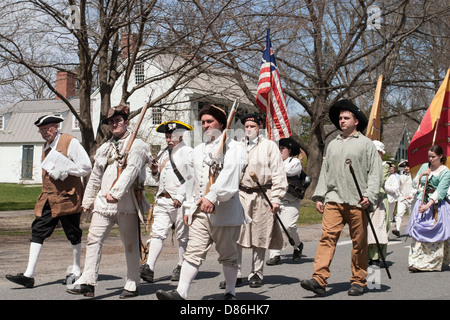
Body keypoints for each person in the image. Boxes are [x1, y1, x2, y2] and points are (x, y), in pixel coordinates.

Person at [155, 104, 248, 300]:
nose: (205, 125)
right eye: (203, 122)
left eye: (210, 121)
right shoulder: (197, 151)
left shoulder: (235, 147)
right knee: (192, 251)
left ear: (221, 123)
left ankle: (230, 291)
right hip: (199, 211)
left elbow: (230, 177)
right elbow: (191, 181)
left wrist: (212, 196)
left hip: (225, 212)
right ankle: (181, 292)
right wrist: (189, 208)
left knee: (228, 255)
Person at [67, 105, 151, 298]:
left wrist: (117, 192)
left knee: (130, 245)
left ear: (126, 122)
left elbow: (131, 172)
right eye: (111, 122)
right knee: (93, 240)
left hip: (127, 204)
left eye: (118, 120)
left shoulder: (137, 145)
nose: (114, 124)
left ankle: (132, 283)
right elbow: (95, 176)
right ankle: (88, 281)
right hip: (103, 204)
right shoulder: (105, 148)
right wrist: (87, 200)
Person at [300, 99, 381, 297]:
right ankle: (319, 279)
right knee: (327, 239)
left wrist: (369, 196)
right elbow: (325, 172)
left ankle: (359, 281)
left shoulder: (366, 144)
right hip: (333, 200)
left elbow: (375, 174)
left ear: (356, 121)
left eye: (346, 118)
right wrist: (320, 196)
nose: (342, 121)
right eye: (340, 118)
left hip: (357, 202)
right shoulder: (333, 145)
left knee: (359, 243)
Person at [6, 115, 92, 289]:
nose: (43, 133)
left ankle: (76, 270)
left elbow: (86, 167)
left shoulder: (70, 142)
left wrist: (66, 168)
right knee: (38, 229)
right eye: (41, 130)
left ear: (55, 127)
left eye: (46, 129)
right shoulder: (46, 146)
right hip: (50, 197)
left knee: (73, 233)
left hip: (68, 197)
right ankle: (29, 275)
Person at [233, 113, 288, 288]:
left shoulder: (269, 146)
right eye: (247, 127)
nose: (249, 129)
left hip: (263, 195)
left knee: (260, 234)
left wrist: (276, 198)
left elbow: (278, 173)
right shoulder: (237, 146)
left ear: (259, 128)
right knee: (237, 236)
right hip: (241, 195)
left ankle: (256, 273)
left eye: (252, 127)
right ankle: (236, 272)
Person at [140, 120, 193, 283]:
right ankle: (149, 267)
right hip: (162, 199)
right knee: (157, 233)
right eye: (167, 136)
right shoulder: (164, 153)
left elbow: (191, 178)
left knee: (182, 236)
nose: (169, 139)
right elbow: (159, 177)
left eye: (173, 136)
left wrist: (180, 196)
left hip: (180, 201)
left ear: (181, 136)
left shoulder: (188, 152)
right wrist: (155, 172)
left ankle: (181, 265)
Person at [405, 145, 450, 272]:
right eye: (429, 156)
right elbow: (415, 184)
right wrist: (421, 176)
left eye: (433, 157)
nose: (430, 159)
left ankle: (431, 262)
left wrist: (428, 205)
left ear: (440, 156)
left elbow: (441, 191)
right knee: (418, 231)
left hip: (435, 206)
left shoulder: (445, 172)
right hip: (421, 201)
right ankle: (416, 262)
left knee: (434, 232)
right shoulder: (425, 166)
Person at [266, 137, 304, 265]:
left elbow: (286, 171)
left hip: (290, 202)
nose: (280, 150)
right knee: (273, 228)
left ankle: (298, 245)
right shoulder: (271, 162)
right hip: (274, 201)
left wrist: (270, 168)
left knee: (289, 226)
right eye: (278, 148)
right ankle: (275, 255)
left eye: (283, 148)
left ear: (289, 150)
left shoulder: (295, 162)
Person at [367, 140, 390, 267]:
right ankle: (367, 256)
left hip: (379, 200)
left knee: (378, 228)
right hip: (366, 199)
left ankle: (376, 257)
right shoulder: (365, 164)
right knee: (366, 229)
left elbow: (380, 182)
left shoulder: (384, 165)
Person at [393, 160, 416, 237]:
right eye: (405, 167)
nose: (406, 168)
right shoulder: (401, 177)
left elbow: (416, 187)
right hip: (402, 198)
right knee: (399, 214)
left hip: (411, 199)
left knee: (411, 215)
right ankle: (397, 229)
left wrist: (411, 194)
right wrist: (399, 195)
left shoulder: (414, 176)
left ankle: (412, 230)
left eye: (407, 166)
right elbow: (398, 187)